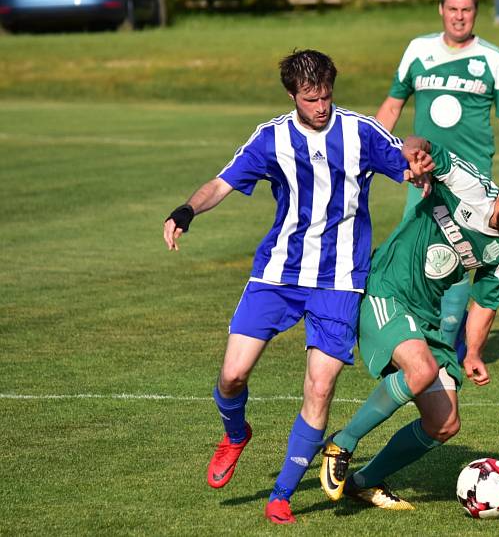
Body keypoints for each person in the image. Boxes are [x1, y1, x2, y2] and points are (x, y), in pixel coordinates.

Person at [162, 49, 432, 525]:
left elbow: (406, 153)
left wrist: (416, 154)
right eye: (311, 99)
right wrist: (186, 210)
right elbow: (221, 184)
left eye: (327, 95)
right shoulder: (271, 138)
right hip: (278, 276)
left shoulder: (360, 131)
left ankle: (281, 494)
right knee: (232, 376)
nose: (322, 106)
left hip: (341, 283)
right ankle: (235, 433)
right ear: (293, 96)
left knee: (321, 387)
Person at [319, 139, 499, 509]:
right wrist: (415, 157)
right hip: (388, 290)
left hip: (426, 315)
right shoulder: (469, 187)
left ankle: (363, 482)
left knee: (444, 424)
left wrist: (474, 352)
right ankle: (342, 443)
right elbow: (425, 147)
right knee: (420, 369)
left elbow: (484, 302)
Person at [375, 0, 499, 351]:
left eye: (467, 10)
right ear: (441, 10)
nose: (459, 17)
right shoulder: (418, 50)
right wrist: (369, 150)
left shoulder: (492, 58)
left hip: (469, 182)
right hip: (425, 176)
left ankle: (447, 348)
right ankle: (411, 335)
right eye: (453, 9)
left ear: (475, 13)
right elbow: (393, 105)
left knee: (461, 259)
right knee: (416, 255)